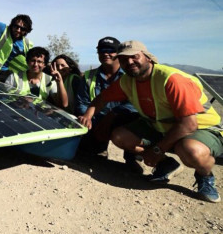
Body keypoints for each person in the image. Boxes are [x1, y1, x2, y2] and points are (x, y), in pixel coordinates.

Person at [78, 40, 222, 203]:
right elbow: (102, 98)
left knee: (191, 151)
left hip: (200, 128)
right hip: (162, 127)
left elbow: (188, 125)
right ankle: (166, 165)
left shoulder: (171, 80)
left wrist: (156, 150)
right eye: (124, 59)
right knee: (119, 136)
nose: (129, 62)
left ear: (147, 57)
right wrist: (88, 115)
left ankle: (206, 176)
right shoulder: (127, 81)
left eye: (134, 57)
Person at [75, 37, 138, 160]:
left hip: (122, 118)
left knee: (135, 121)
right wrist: (89, 119)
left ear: (119, 53)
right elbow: (82, 103)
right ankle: (97, 149)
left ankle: (133, 159)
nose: (105, 53)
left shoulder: (131, 75)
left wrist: (112, 116)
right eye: (102, 50)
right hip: (94, 120)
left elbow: (134, 104)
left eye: (111, 50)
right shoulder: (88, 76)